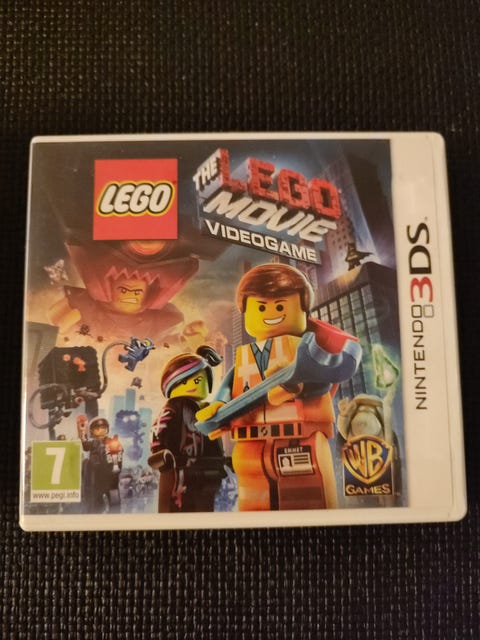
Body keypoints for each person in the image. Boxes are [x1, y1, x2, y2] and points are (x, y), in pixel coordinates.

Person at [197, 263, 361, 511]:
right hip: (251, 441)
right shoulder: (246, 356)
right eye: (261, 307)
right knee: (254, 497)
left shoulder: (305, 350)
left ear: (303, 309)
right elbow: (231, 383)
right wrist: (219, 406)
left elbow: (322, 382)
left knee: (306, 495)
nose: (270, 313)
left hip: (299, 437)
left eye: (281, 306)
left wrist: (295, 388)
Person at [148, 346, 226, 512]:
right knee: (176, 506)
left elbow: (213, 436)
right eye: (183, 382)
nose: (192, 385)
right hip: (180, 469)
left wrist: (221, 460)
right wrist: (160, 451)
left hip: (207, 469)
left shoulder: (207, 409)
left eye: (198, 380)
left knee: (205, 506)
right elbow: (160, 427)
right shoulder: (175, 406)